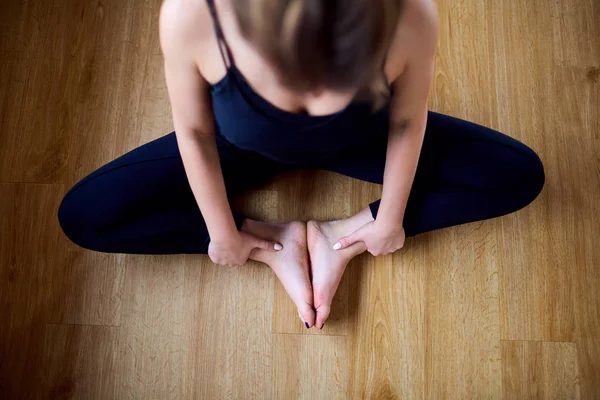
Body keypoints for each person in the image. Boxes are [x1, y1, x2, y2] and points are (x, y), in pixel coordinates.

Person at [58, 0, 544, 330]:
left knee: (520, 176)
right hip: (240, 145)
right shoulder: (191, 13)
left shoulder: (410, 14)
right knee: (86, 215)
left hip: (360, 138)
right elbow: (196, 133)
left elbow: (405, 123)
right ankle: (278, 244)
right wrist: (227, 233)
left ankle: (339, 240)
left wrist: (384, 221)